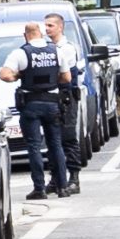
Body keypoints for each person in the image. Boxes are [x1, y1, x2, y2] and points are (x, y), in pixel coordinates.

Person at [0, 22, 71, 200]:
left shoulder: (21, 53)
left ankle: (39, 188)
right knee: (55, 144)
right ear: (40, 34)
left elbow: (4, 75)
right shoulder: (56, 51)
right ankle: (62, 186)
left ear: (26, 35)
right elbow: (67, 77)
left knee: (34, 146)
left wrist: (19, 75)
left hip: (31, 104)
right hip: (52, 103)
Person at [45, 13, 83, 195]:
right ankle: (55, 178)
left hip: (66, 98)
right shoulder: (48, 48)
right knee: (53, 139)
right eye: (46, 25)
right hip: (52, 98)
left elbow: (62, 76)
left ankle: (74, 178)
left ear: (60, 27)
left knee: (68, 138)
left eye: (50, 25)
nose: (47, 29)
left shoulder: (66, 48)